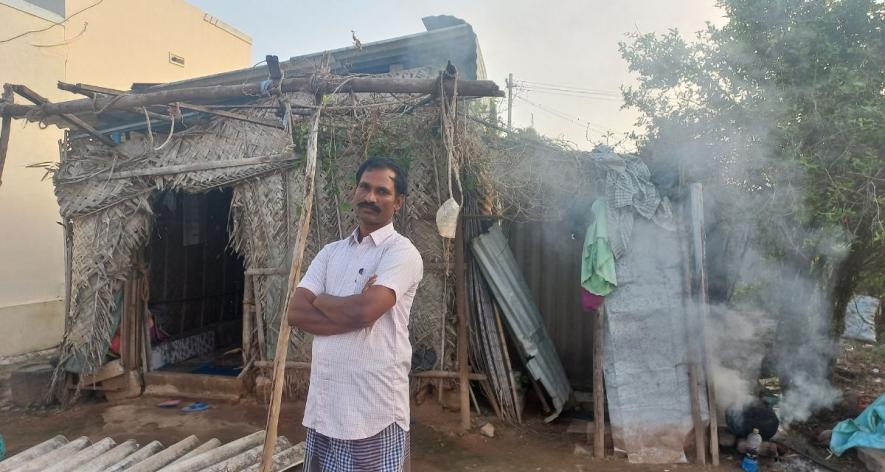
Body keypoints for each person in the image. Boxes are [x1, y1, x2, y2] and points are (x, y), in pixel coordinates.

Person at [288, 157, 424, 471]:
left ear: (398, 202)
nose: (370, 197)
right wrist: (351, 310)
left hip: (372, 412)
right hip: (324, 408)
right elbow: (295, 311)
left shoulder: (401, 253)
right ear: (354, 192)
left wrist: (321, 301)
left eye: (382, 191)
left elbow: (366, 311)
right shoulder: (330, 252)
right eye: (364, 187)